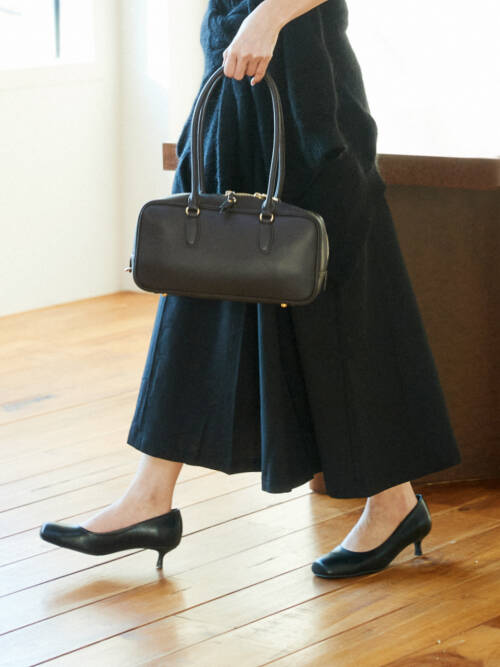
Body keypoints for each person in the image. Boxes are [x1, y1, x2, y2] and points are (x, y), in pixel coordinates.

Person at [40, 0, 462, 576]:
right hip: (236, 76)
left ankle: (393, 502)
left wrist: (267, 17)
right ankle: (149, 497)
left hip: (305, 83)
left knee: (332, 292)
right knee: (200, 277)